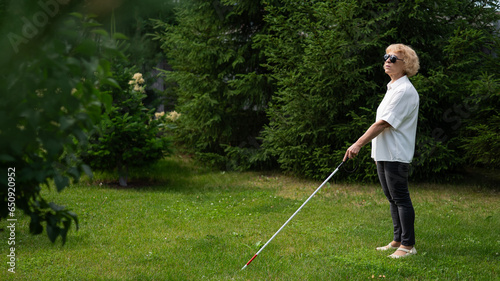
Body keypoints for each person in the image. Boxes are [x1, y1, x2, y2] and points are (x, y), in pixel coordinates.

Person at [343, 43, 420, 258]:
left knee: (400, 198)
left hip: (396, 153)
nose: (387, 60)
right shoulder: (392, 87)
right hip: (385, 153)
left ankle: (408, 246)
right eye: (387, 56)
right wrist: (377, 155)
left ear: (406, 65)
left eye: (394, 58)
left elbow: (383, 123)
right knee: (392, 198)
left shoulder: (404, 91)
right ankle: (397, 240)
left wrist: (358, 144)